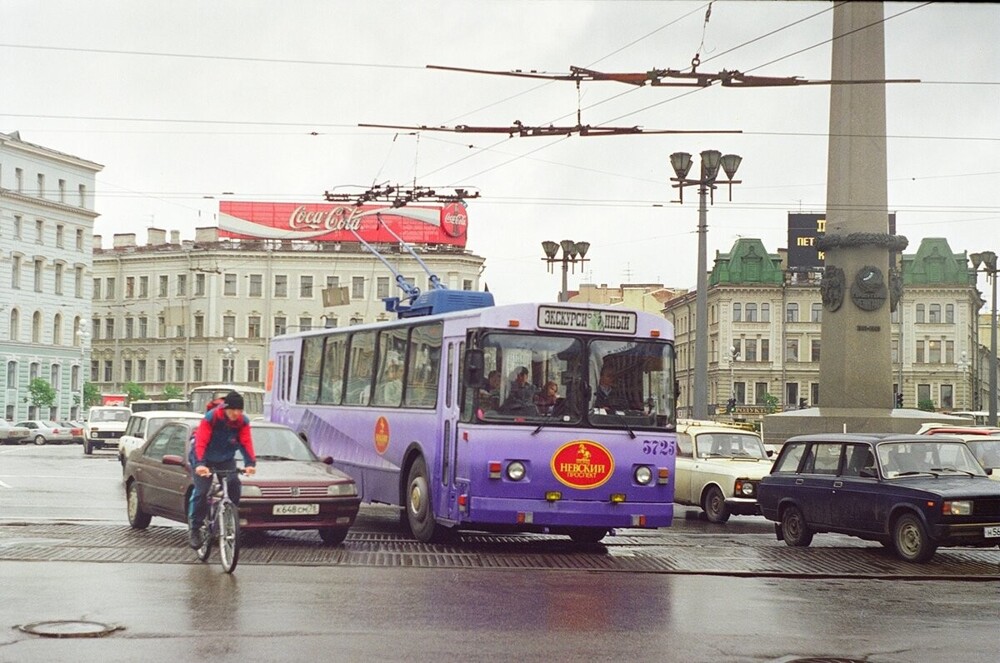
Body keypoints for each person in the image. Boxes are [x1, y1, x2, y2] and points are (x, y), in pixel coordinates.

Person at [187, 390, 257, 549]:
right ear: (225, 408)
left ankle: (229, 515)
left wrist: (250, 464)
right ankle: (195, 528)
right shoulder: (212, 418)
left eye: (239, 410)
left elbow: (246, 442)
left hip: (225, 458)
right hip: (203, 457)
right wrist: (199, 464)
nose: (236, 413)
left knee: (233, 483)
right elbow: (201, 442)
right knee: (202, 490)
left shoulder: (242, 422)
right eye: (233, 410)